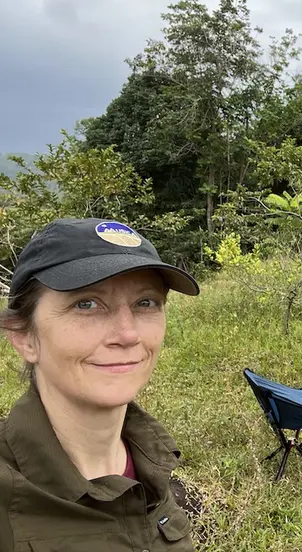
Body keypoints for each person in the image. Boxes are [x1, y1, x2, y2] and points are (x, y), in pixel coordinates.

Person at [0, 218, 200, 551]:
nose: (128, 334)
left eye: (145, 302)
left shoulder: (153, 463)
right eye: (87, 304)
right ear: (23, 337)